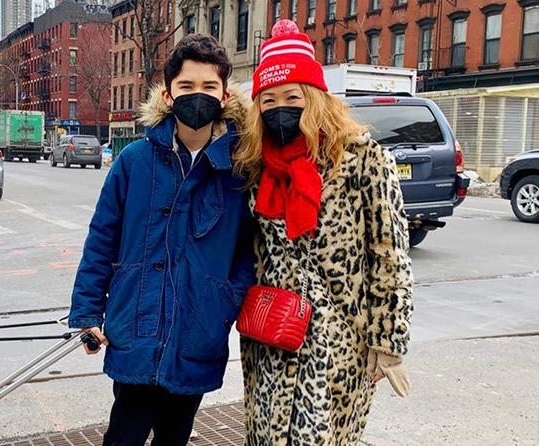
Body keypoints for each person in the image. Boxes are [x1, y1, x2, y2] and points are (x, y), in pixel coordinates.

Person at [68, 34, 256, 446]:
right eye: (186, 86)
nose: (198, 96)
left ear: (224, 96)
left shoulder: (239, 170)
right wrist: (85, 312)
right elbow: (102, 239)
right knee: (124, 436)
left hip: (198, 331)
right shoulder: (134, 161)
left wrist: (225, 301)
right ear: (169, 94)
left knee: (175, 437)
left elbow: (247, 253)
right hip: (136, 325)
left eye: (209, 87)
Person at [233, 20, 414, 445]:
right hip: (271, 336)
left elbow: (389, 254)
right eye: (269, 99)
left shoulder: (364, 159)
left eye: (292, 97)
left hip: (340, 340)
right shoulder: (254, 165)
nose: (281, 107)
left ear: (314, 97)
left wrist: (387, 340)